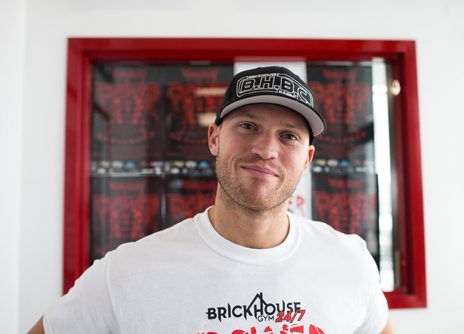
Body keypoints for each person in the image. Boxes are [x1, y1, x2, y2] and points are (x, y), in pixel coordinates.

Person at [29, 66, 392, 333]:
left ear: (308, 159)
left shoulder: (348, 261)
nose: (266, 150)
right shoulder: (128, 273)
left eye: (288, 136)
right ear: (215, 138)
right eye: (248, 126)